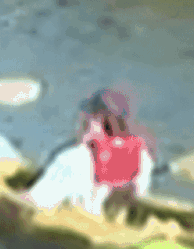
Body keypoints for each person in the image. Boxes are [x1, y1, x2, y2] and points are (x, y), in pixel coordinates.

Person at [23, 88, 156, 217]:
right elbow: (139, 197)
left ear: (94, 119)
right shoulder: (143, 157)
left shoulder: (73, 157)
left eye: (85, 117)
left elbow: (35, 204)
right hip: (113, 225)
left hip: (77, 226)